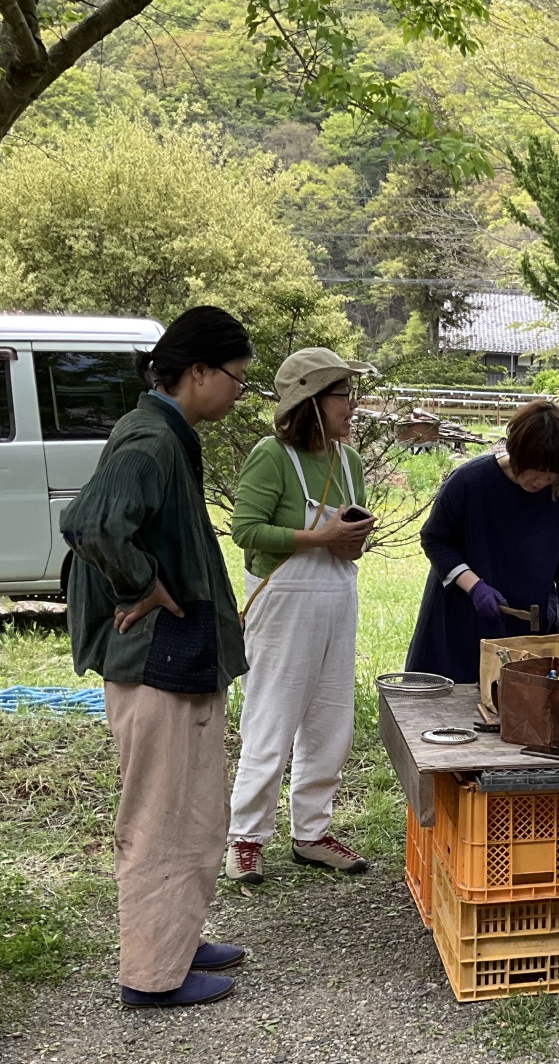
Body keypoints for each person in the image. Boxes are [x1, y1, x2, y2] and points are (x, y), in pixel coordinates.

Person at [60, 305, 255, 1009]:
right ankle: (151, 974)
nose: (239, 391)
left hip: (177, 654)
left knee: (193, 806)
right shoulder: (150, 438)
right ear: (198, 371)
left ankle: (175, 937)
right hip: (156, 660)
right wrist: (142, 585)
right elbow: (91, 523)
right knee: (161, 814)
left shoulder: (168, 433)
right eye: (235, 377)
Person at [223, 346, 378, 886]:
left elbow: (351, 545)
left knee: (330, 722)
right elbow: (246, 530)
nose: (351, 406)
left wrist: (350, 540)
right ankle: (245, 839)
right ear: (311, 401)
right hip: (283, 603)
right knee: (271, 719)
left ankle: (312, 833)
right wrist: (320, 537)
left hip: (336, 598)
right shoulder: (271, 456)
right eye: (342, 395)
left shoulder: (348, 461)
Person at [405, 400, 559, 683]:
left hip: (525, 639)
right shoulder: (469, 481)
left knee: (516, 701)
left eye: (552, 475)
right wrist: (474, 586)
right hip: (458, 626)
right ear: (518, 451)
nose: (541, 480)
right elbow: (435, 539)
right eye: (536, 470)